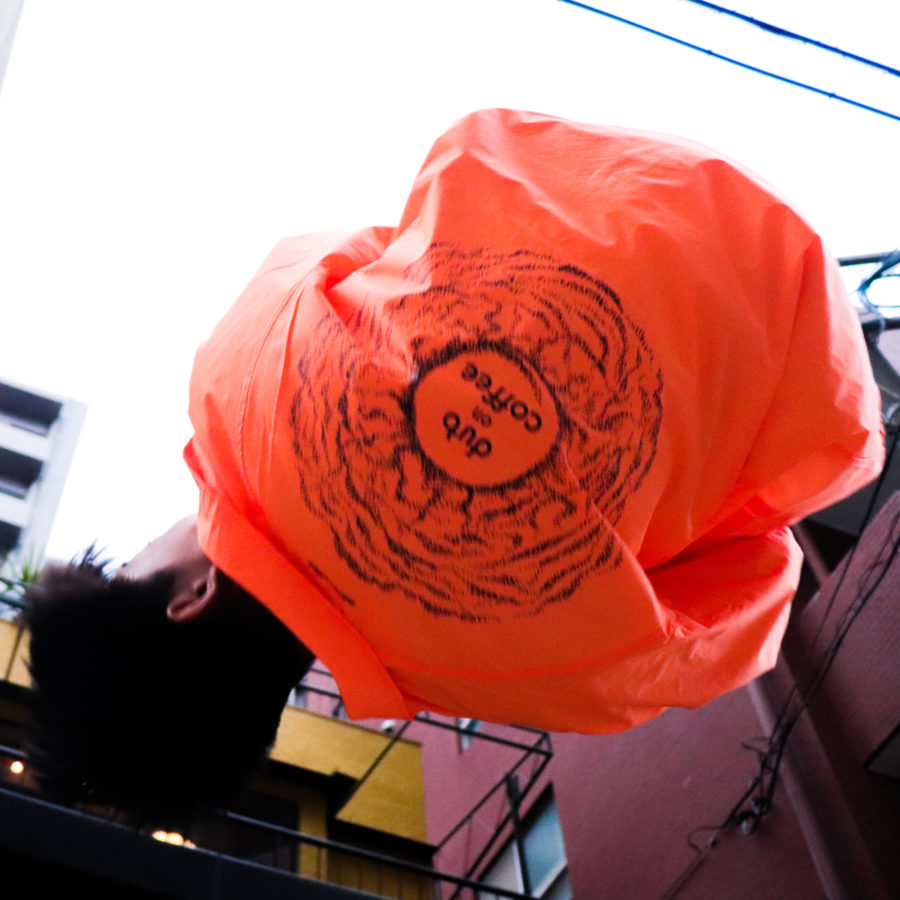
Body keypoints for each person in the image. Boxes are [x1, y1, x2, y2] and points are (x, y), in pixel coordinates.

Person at [25, 108, 884, 826]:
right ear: (189, 596)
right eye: (132, 561)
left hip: (808, 342)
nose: (155, 534)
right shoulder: (235, 384)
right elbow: (376, 242)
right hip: (614, 172)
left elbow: (755, 590)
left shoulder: (529, 683)